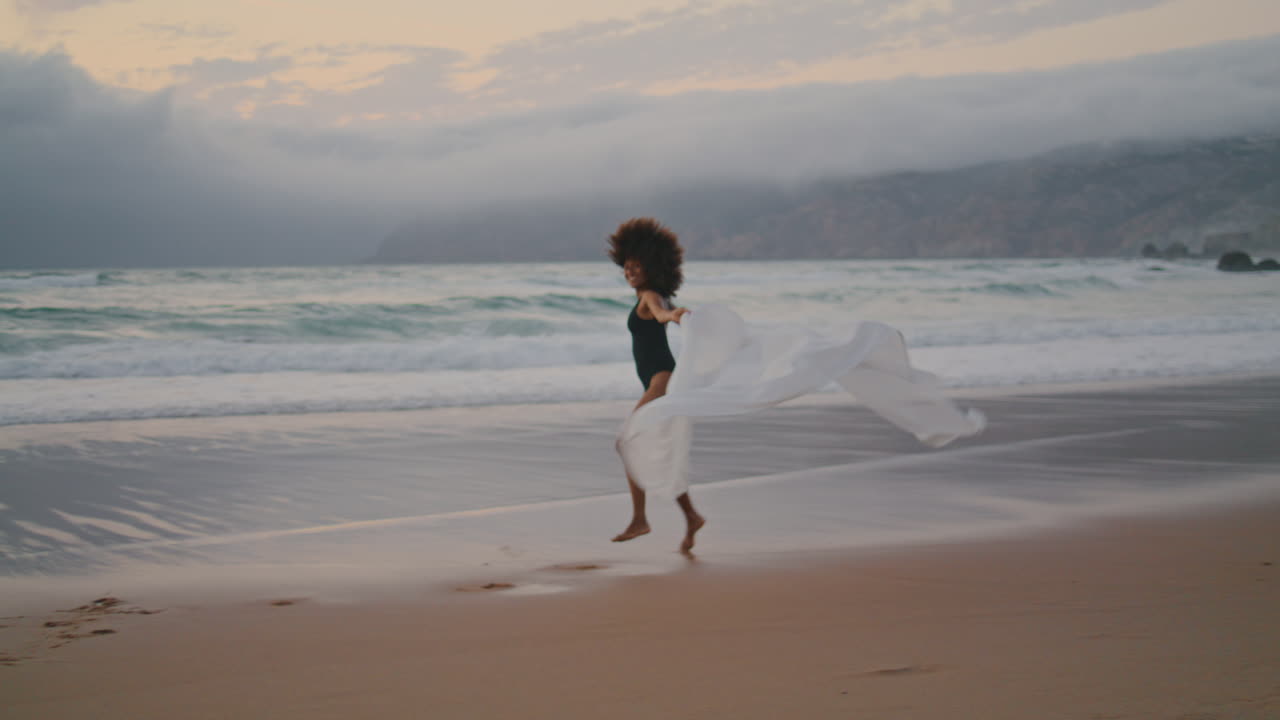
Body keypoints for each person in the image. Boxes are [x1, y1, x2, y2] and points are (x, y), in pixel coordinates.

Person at [607, 217, 705, 553]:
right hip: (660, 382)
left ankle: (640, 519)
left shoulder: (650, 296)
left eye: (636, 266)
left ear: (651, 267)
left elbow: (662, 314)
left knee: (628, 442)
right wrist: (678, 314)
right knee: (658, 451)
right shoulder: (655, 296)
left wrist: (673, 317)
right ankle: (691, 516)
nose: (630, 272)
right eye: (627, 266)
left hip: (661, 381)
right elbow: (668, 310)